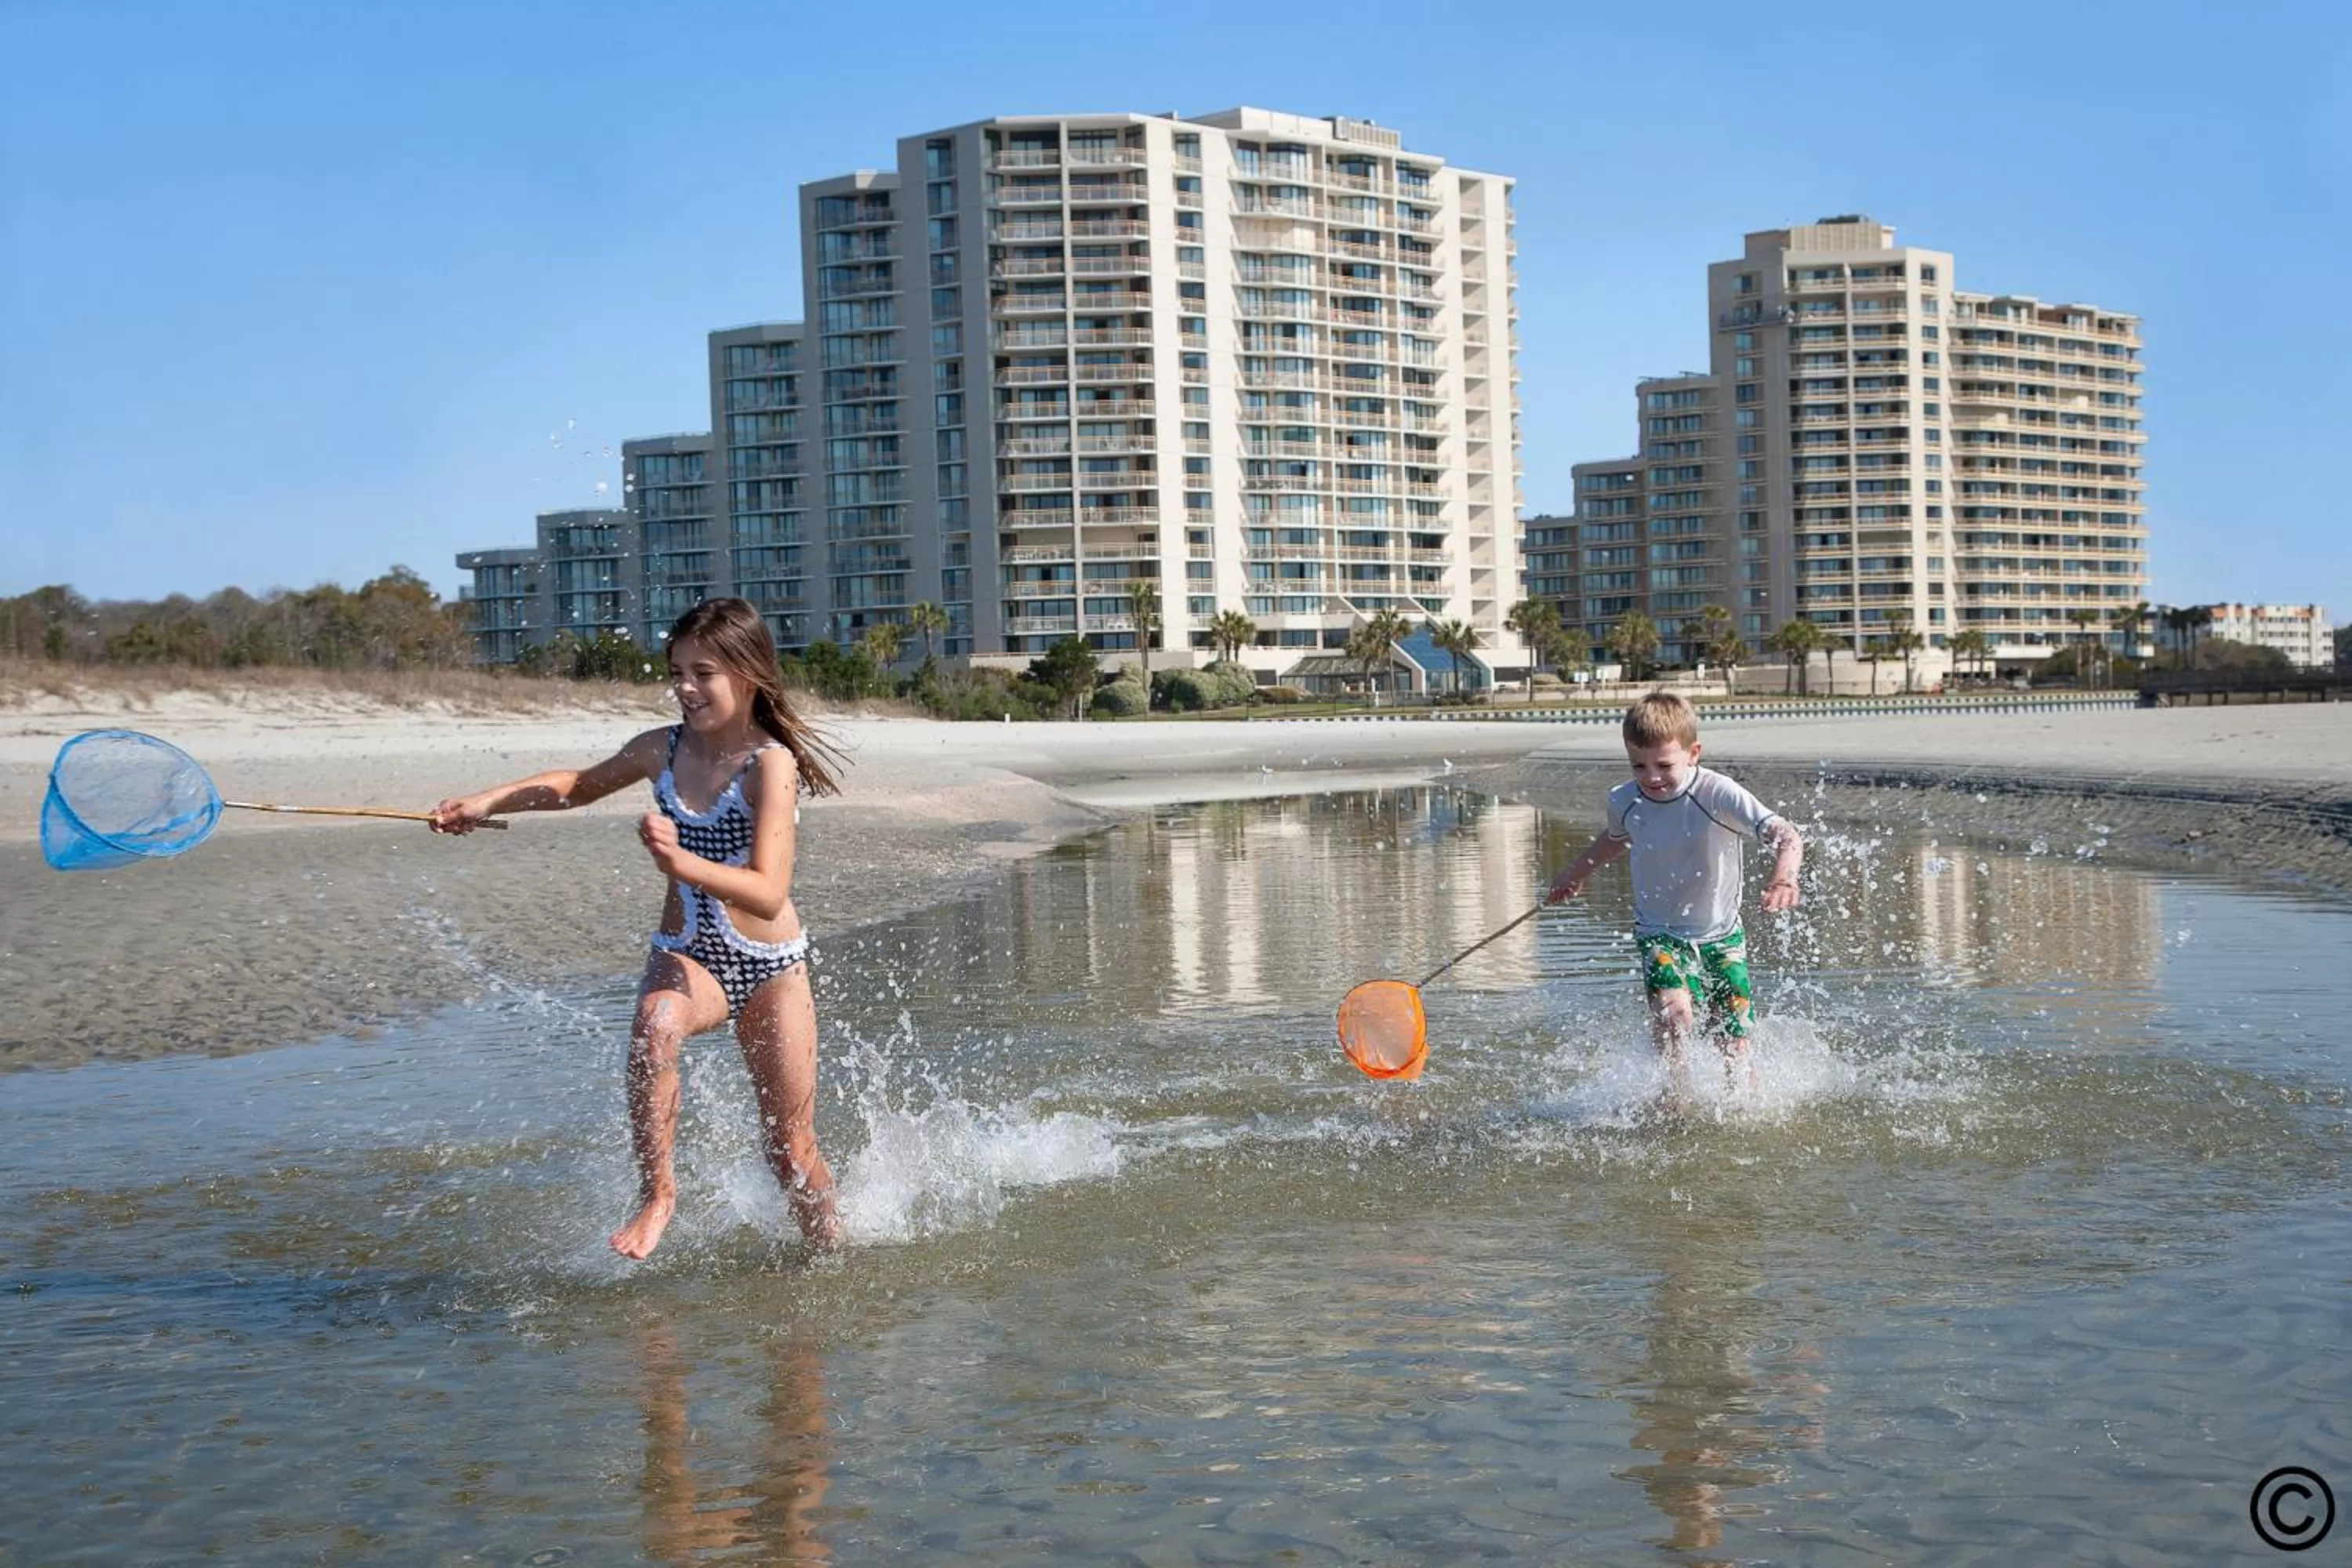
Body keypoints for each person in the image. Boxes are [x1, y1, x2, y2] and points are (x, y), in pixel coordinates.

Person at [430, 598, 847, 1259]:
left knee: (789, 1147)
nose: (685, 687)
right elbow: (577, 786)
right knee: (656, 1024)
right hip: (688, 953)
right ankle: (659, 1196)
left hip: (770, 966)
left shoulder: (769, 764)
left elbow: (769, 893)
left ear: (749, 673)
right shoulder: (663, 748)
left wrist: (682, 860)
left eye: (702, 672)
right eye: (677, 671)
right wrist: (486, 801)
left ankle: (832, 1256)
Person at [1545, 691, 1802, 1083]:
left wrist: (1784, 877)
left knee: (1732, 1045)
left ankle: (1744, 1107)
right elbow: (1616, 839)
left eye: (1663, 765)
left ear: (1693, 752)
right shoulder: (1624, 800)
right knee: (1675, 1011)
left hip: (1722, 938)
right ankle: (1672, 1094)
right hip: (1660, 933)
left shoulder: (1718, 793)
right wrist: (1576, 873)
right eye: (1638, 766)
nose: (1651, 777)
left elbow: (1786, 835)